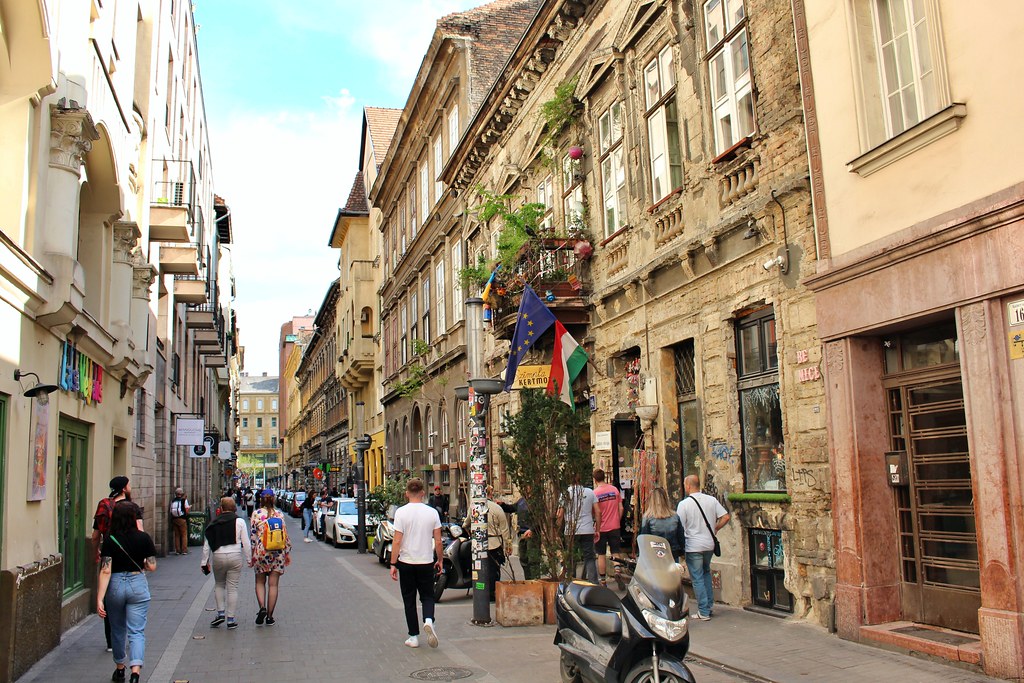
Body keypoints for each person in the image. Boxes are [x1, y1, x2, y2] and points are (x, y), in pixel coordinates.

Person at [97, 500, 157, 683]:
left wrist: (100, 598)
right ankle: (136, 672)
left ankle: (120, 669)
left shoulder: (109, 540)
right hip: (137, 583)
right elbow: (152, 566)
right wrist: (143, 564)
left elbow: (106, 570)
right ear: (133, 518)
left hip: (115, 584)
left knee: (117, 629)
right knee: (137, 631)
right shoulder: (144, 538)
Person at [389, 478, 443, 649]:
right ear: (423, 493)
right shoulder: (432, 512)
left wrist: (393, 563)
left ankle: (413, 636)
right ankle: (428, 620)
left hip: (406, 561)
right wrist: (440, 559)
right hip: (426, 561)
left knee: (409, 599)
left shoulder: (401, 513)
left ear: (406, 493)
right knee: (427, 595)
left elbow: (397, 541)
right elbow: (439, 540)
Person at [91, 476, 142, 653]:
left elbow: (96, 534)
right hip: (128, 556)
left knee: (110, 599)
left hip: (108, 551)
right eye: (128, 485)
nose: (130, 487)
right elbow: (140, 533)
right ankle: (130, 637)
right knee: (132, 597)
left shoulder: (103, 505)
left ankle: (112, 642)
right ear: (123, 488)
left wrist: (95, 552)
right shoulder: (132, 507)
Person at [676, 474, 730, 620]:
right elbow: (726, 516)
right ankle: (709, 605)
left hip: (693, 545)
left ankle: (703, 611)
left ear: (687, 486)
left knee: (697, 577)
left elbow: (679, 526)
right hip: (709, 544)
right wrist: (716, 528)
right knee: (706, 573)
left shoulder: (684, 504)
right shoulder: (711, 500)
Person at [202, 497, 252, 629]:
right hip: (235, 555)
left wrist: (204, 561)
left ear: (222, 508)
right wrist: (249, 558)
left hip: (218, 556)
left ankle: (220, 613)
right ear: (234, 507)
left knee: (219, 584)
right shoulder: (239, 521)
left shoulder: (213, 523)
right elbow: (246, 542)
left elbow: (207, 544)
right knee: (233, 587)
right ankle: (230, 619)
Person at [249, 489, 291, 626]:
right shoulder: (279, 514)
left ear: (261, 499)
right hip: (277, 553)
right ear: (273, 499)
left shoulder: (256, 514)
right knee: (273, 585)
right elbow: (285, 535)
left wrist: (252, 554)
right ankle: (270, 616)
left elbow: (253, 537)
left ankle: (262, 607)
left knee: (259, 582)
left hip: (261, 552)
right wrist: (287, 553)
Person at [463, 486, 512, 601]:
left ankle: (480, 590)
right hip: (494, 543)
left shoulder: (474, 506)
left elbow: (466, 523)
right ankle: (491, 592)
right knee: (493, 569)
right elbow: (505, 530)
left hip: (478, 543)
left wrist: (468, 529)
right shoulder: (497, 508)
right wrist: (507, 546)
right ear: (491, 494)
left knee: (478, 568)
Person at [557, 478, 601, 584]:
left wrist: (557, 530)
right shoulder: (590, 492)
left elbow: (560, 514)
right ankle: (593, 583)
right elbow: (598, 512)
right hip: (587, 529)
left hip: (571, 530)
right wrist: (598, 529)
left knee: (572, 557)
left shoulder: (565, 493)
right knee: (589, 557)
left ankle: (571, 582)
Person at [592, 469, 624, 586]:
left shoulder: (595, 493)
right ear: (604, 477)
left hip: (601, 528)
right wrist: (617, 520)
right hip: (614, 526)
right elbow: (621, 508)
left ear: (595, 479)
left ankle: (603, 580)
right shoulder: (614, 490)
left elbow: (595, 512)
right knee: (616, 551)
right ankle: (617, 570)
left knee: (601, 554)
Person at [640, 487, 686, 560]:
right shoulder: (675, 517)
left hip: (655, 555)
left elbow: (644, 540)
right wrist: (682, 552)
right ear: (665, 499)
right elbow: (681, 537)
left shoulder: (647, 518)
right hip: (672, 553)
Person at [513, 495, 541, 580]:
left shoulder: (536, 501)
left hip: (531, 534)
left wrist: (532, 529)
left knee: (533, 560)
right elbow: (512, 508)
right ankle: (528, 580)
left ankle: (535, 581)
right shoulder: (521, 500)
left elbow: (539, 518)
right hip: (522, 533)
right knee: (523, 559)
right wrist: (502, 505)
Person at [169, 487, 191, 555]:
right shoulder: (184, 500)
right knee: (184, 535)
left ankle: (177, 550)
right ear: (181, 494)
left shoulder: (173, 500)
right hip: (182, 519)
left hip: (174, 519)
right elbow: (186, 510)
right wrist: (189, 508)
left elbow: (170, 510)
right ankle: (184, 550)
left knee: (177, 535)